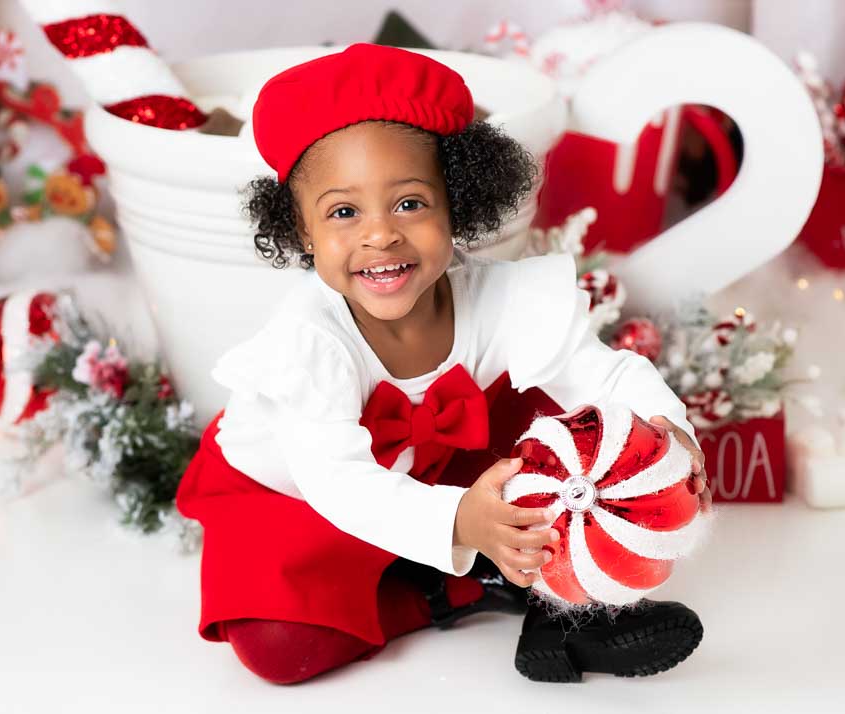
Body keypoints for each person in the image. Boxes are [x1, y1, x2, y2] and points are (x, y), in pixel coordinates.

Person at [176, 42, 711, 686]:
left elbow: (600, 371)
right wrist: (460, 520)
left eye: (409, 203)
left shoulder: (496, 296)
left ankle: (563, 587)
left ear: (456, 204)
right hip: (304, 496)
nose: (380, 235)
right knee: (279, 648)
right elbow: (339, 483)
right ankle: (464, 586)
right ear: (302, 230)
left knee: (562, 418)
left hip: (438, 468)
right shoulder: (309, 344)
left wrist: (664, 429)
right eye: (344, 213)